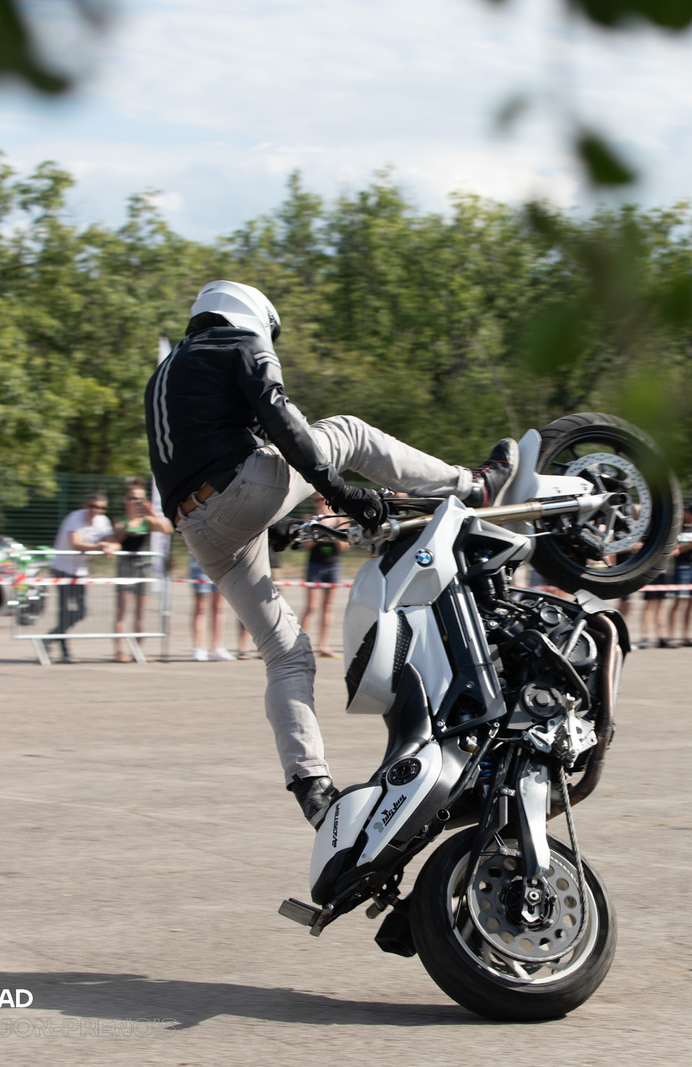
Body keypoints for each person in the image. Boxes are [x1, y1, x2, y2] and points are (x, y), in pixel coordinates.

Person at [146, 280, 518, 827]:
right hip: (235, 494)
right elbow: (281, 421)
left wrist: (276, 523)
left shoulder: (170, 372)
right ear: (253, 317)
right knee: (347, 432)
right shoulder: (240, 346)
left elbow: (198, 454)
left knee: (288, 652)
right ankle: (469, 485)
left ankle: (312, 787)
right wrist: (342, 491)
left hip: (198, 526)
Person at [111, 479, 174, 663]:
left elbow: (167, 529)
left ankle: (137, 650)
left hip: (142, 566)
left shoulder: (147, 520)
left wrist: (151, 513)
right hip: (124, 565)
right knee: (122, 610)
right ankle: (119, 652)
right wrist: (125, 526)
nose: (135, 502)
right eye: (132, 498)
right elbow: (116, 538)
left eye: (139, 499)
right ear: (125, 499)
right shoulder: (120, 521)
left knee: (140, 611)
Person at [50, 493, 115, 663]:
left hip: (79, 569)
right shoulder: (75, 518)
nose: (97, 511)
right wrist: (99, 547)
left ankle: (48, 639)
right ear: (86, 505)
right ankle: (64, 651)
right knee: (64, 610)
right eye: (93, 506)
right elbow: (76, 544)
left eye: (101, 508)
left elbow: (110, 540)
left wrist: (109, 546)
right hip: (62, 567)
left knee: (81, 611)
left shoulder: (103, 521)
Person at [297, 494, 348, 658]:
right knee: (311, 606)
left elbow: (343, 547)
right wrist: (318, 528)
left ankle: (323, 646)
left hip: (332, 565)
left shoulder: (341, 520)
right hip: (315, 565)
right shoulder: (310, 519)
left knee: (328, 607)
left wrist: (334, 531)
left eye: (324, 499)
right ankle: (302, 645)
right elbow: (307, 545)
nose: (322, 502)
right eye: (318, 500)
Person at [666, 502, 692, 648]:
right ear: (686, 512)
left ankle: (686, 636)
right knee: (678, 602)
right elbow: (673, 552)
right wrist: (688, 546)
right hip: (681, 567)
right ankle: (670, 636)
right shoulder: (676, 528)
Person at [187, 553, 229, 661]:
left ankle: (217, 647)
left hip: (222, 563)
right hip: (200, 562)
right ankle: (198, 647)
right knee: (201, 606)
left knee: (218, 606)